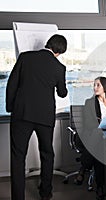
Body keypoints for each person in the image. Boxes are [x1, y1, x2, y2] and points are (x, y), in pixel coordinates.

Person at [6, 34, 68, 200]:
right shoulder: (59, 67)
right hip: (45, 117)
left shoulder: (25, 58)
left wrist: (10, 108)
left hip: (22, 114)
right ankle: (45, 193)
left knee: (18, 157)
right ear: (59, 51)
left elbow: (12, 84)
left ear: (48, 44)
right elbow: (62, 93)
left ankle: (18, 197)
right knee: (47, 153)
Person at [76, 76, 106, 200]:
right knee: (99, 148)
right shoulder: (89, 102)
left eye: (98, 85)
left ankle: (84, 166)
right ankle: (101, 186)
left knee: (99, 145)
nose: (95, 88)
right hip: (95, 134)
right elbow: (88, 124)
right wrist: (101, 125)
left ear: (105, 87)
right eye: (94, 85)